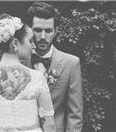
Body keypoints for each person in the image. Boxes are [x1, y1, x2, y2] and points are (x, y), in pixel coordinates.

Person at [0, 13, 56, 132]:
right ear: (15, 43)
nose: (33, 46)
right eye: (30, 41)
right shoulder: (37, 77)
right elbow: (49, 125)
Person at [27, 2, 83, 132]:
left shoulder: (71, 63)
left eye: (48, 31)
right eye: (38, 30)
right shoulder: (20, 61)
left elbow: (75, 115)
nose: (42, 36)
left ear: (55, 31)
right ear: (30, 30)